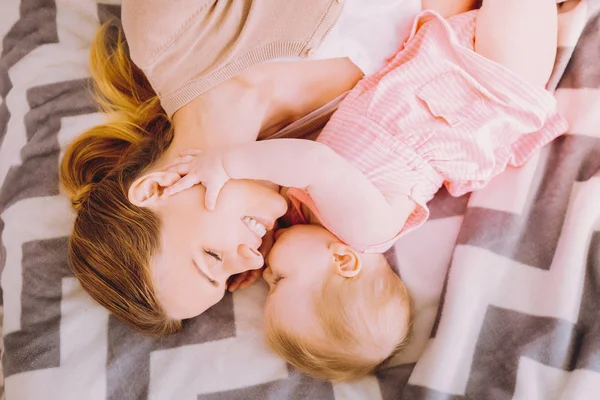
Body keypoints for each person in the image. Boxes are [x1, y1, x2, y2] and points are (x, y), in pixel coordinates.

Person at [159, 0, 566, 381]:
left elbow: (297, 172)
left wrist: (249, 246)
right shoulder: (365, 229)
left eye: (269, 281)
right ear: (344, 262)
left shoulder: (313, 219)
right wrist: (230, 162)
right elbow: (315, 165)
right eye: (279, 280)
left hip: (445, 66)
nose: (265, 273)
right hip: (491, 83)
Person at [59, 0, 421, 335]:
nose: (253, 257)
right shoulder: (331, 154)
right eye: (230, 276)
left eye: (212, 257)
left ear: (155, 189)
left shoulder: (165, 30)